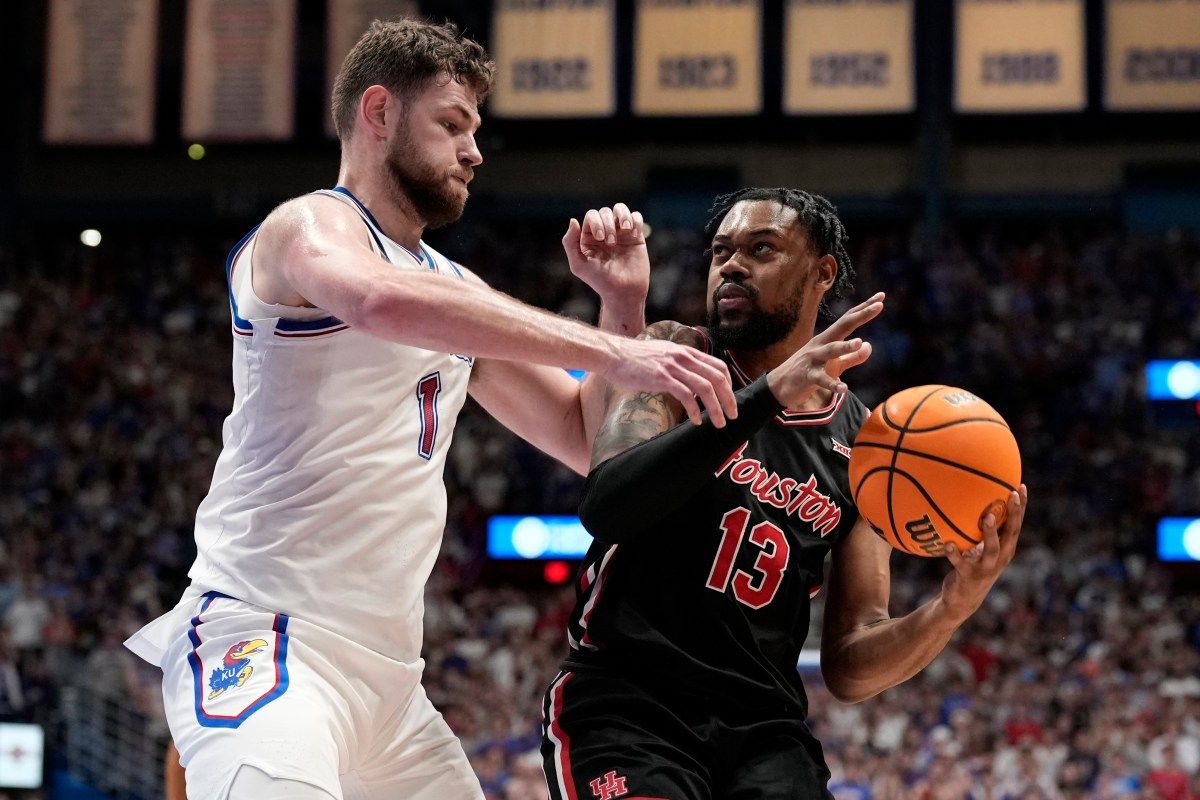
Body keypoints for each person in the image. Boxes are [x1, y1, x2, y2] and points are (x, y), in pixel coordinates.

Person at [125, 18, 736, 800]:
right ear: (379, 112)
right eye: (452, 125)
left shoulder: (452, 289)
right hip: (269, 639)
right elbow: (377, 300)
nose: (474, 151)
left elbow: (588, 441)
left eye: (475, 131)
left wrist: (621, 306)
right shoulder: (306, 227)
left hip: (390, 686)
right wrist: (614, 354)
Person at [540, 187, 1028, 799]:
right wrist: (767, 395)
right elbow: (609, 505)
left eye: (761, 249)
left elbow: (849, 666)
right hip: (630, 707)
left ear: (822, 273)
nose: (732, 266)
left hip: (763, 731)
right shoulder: (674, 355)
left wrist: (953, 605)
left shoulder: (868, 450)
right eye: (721, 252)